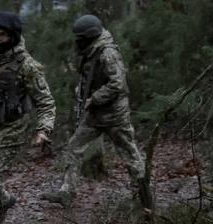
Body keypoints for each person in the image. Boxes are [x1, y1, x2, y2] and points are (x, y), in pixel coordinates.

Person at [42, 15, 150, 208]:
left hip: (114, 115)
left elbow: (118, 84)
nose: (77, 41)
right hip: (94, 114)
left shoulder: (108, 53)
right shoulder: (91, 51)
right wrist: (82, 93)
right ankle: (67, 191)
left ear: (90, 36)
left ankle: (142, 196)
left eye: (80, 37)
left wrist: (94, 98)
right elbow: (88, 78)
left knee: (130, 153)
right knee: (74, 146)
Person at [0, 11, 55, 224]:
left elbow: (45, 100)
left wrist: (43, 129)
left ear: (13, 37)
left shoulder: (27, 66)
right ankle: (6, 199)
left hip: (12, 130)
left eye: (3, 35)